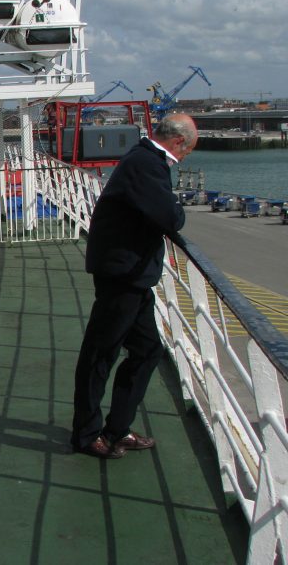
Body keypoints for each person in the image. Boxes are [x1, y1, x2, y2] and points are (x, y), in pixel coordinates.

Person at [71, 113, 198, 459]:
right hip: (122, 275)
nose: (184, 157)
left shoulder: (143, 158)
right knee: (100, 354)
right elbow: (171, 217)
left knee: (147, 350)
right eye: (187, 151)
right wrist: (175, 207)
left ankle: (118, 428)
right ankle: (86, 435)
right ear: (178, 142)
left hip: (133, 275)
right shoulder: (146, 163)